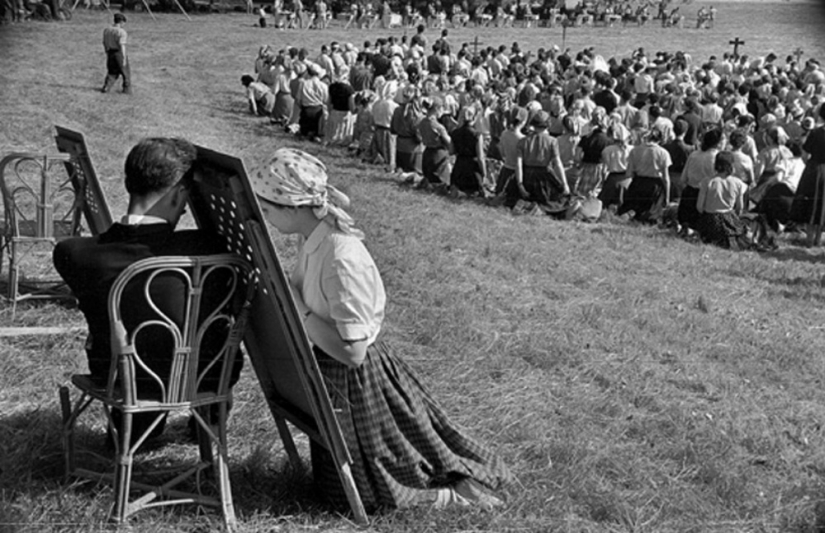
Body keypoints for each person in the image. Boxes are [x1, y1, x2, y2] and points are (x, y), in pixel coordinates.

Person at [249, 148, 512, 511]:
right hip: (335, 375)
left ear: (293, 206)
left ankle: (454, 495)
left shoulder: (341, 257)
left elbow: (353, 352)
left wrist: (299, 310)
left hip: (357, 380)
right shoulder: (312, 238)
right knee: (338, 488)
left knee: (366, 495)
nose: (266, 217)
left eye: (268, 210)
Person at [53, 138, 240, 440]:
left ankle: (133, 436)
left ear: (129, 182)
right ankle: (208, 426)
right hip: (200, 377)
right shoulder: (205, 248)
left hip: (116, 377)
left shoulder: (73, 254)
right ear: (179, 194)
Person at [505, 110, 569, 210]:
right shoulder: (552, 141)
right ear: (548, 124)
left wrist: (520, 185)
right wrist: (565, 184)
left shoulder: (523, 141)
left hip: (527, 176)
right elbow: (558, 164)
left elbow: (519, 164)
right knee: (558, 202)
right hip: (545, 177)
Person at [695, 151, 750, 250]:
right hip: (729, 218)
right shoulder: (737, 183)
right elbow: (740, 207)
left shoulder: (707, 181)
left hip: (710, 220)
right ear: (731, 165)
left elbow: (699, 206)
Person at [617, 128, 672, 223]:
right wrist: (667, 197)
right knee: (650, 214)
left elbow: (629, 173)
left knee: (635, 207)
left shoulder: (634, 150)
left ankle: (631, 214)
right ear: (660, 139)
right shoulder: (663, 153)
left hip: (638, 182)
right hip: (654, 185)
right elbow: (666, 178)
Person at [789, 104, 825, 245]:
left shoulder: (815, 133)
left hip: (813, 168)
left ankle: (809, 238)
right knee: (823, 204)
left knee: (811, 203)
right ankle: (818, 239)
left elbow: (806, 152)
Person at [449, 105, 487, 196]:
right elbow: (480, 157)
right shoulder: (477, 135)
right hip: (472, 170)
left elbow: (451, 151)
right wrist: (484, 173)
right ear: (473, 118)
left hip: (459, 168)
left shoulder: (454, 133)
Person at [101, 13, 130, 94]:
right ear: (121, 22)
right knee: (125, 72)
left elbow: (104, 42)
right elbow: (122, 45)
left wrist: (106, 51)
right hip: (118, 53)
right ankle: (127, 90)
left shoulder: (107, 30)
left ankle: (106, 87)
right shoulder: (121, 32)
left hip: (110, 52)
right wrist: (124, 58)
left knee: (112, 71)